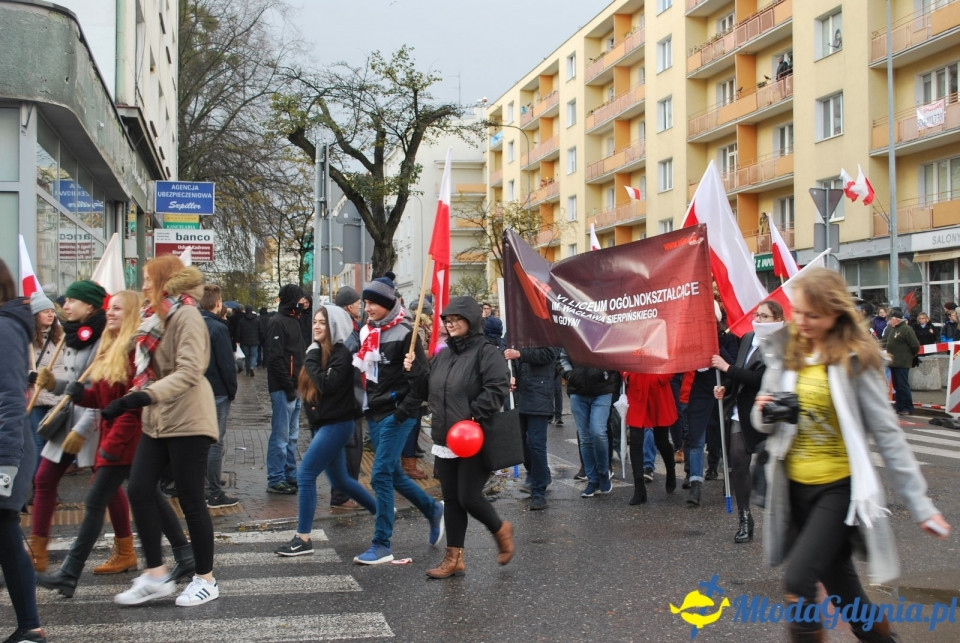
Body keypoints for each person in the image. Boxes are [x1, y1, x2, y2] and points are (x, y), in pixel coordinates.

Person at [752, 267, 951, 642]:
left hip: (838, 491)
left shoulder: (855, 359)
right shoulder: (786, 349)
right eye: (798, 313)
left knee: (798, 580)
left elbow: (888, 436)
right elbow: (761, 421)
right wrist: (765, 409)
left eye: (813, 315)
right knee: (847, 595)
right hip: (793, 489)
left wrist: (921, 504)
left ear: (835, 314)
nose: (803, 322)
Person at [108, 255, 220, 607]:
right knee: (140, 489)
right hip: (158, 419)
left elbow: (190, 371)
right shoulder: (155, 316)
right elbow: (146, 369)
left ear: (163, 280)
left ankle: (206, 579)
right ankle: (155, 575)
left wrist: (140, 397)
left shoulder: (186, 315)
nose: (142, 285)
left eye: (146, 278)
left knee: (191, 500)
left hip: (189, 418)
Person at [410, 296, 513, 578]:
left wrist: (471, 416)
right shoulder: (442, 355)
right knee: (452, 499)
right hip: (444, 438)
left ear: (472, 320)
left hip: (473, 436)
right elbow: (426, 389)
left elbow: (497, 387)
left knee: (468, 497)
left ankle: (500, 530)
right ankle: (454, 559)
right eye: (447, 319)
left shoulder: (486, 352)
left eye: (457, 318)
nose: (450, 322)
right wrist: (415, 367)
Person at [351, 276, 444, 565]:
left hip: (397, 413)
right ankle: (432, 510)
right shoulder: (368, 330)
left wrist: (403, 411)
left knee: (378, 475)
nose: (368, 308)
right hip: (375, 411)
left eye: (373, 303)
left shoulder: (407, 333)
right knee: (392, 474)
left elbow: (421, 379)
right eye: (365, 303)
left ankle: (382, 543)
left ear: (388, 304)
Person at [274, 305, 376, 557]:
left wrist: (309, 358)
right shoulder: (320, 352)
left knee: (306, 473)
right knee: (341, 481)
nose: (317, 326)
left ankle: (303, 538)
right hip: (324, 425)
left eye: (323, 322)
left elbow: (326, 384)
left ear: (334, 326)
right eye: (316, 322)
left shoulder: (340, 353)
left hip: (338, 425)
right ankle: (384, 514)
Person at [30, 280, 108, 574]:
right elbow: (76, 386)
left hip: (95, 422)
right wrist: (53, 384)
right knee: (44, 479)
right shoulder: (73, 335)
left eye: (72, 300)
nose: (64, 305)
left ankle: (126, 549)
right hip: (70, 418)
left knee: (108, 488)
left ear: (89, 305)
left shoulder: (104, 339)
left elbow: (100, 392)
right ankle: (38, 550)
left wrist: (82, 431)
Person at [712, 299, 784, 543]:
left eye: (765, 316)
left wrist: (727, 368)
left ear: (777, 320)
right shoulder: (747, 338)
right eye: (757, 314)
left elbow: (759, 378)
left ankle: (784, 517)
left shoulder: (780, 343)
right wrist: (725, 388)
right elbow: (741, 372)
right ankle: (744, 517)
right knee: (739, 461)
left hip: (769, 413)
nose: (759, 319)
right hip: (740, 412)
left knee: (773, 468)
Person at [0, 259, 45, 643]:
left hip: (5, 451)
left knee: (5, 531)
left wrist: (6, 469)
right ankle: (30, 626)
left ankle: (30, 626)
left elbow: (10, 403)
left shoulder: (4, 328)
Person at [558, 349, 621, 497]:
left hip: (602, 390)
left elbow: (614, 353)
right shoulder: (571, 331)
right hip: (577, 391)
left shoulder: (605, 327)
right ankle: (592, 480)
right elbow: (562, 357)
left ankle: (603, 472)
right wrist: (569, 375)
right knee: (585, 437)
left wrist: (605, 372)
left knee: (598, 432)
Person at [504, 345, 558, 511]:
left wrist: (520, 354)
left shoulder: (544, 327)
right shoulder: (515, 329)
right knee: (521, 443)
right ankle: (537, 474)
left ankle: (538, 491)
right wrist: (509, 376)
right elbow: (506, 355)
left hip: (539, 394)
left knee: (536, 443)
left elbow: (550, 353)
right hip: (520, 394)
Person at [199, 284, 239, 508]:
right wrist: (232, 390)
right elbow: (226, 364)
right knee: (215, 442)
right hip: (216, 392)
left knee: (198, 442)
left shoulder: (192, 324)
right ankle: (214, 492)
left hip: (195, 391)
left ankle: (200, 486)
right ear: (217, 303)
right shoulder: (218, 328)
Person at [265, 284, 305, 495]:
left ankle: (290, 474)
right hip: (283, 387)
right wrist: (289, 385)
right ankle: (276, 478)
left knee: (292, 436)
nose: (302, 303)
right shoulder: (277, 322)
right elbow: (275, 358)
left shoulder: (294, 320)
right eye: (299, 299)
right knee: (281, 436)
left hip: (294, 386)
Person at [329, 286, 365, 511]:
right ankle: (341, 496)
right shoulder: (345, 330)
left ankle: (344, 493)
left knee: (352, 445)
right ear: (349, 306)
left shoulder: (351, 326)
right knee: (350, 445)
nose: (361, 307)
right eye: (359, 303)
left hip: (352, 394)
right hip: (348, 396)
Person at [623, 373, 677, 505]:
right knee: (635, 441)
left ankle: (671, 470)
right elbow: (622, 354)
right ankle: (639, 488)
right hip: (637, 388)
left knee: (661, 441)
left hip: (658, 389)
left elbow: (671, 357)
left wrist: (661, 378)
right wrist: (627, 374)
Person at [28, 292, 65, 472]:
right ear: (35, 315)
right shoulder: (27, 340)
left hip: (56, 398)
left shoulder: (61, 337)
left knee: (52, 444)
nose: (51, 314)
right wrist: (28, 375)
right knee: (37, 442)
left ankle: (47, 486)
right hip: (35, 398)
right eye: (45, 311)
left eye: (52, 311)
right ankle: (38, 485)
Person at [882, 307, 919, 416]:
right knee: (897, 386)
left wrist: (909, 355)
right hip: (894, 363)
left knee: (903, 386)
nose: (889, 321)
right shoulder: (894, 329)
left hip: (902, 363)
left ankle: (907, 407)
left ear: (897, 319)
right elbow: (886, 342)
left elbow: (915, 345)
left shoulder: (906, 329)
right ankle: (899, 406)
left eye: (891, 319)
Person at [236, 305, 261, 376]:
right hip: (254, 340)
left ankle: (248, 371)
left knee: (247, 356)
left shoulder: (242, 320)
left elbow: (239, 331)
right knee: (254, 355)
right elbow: (260, 331)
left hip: (244, 341)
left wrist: (237, 340)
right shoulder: (257, 320)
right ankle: (252, 366)